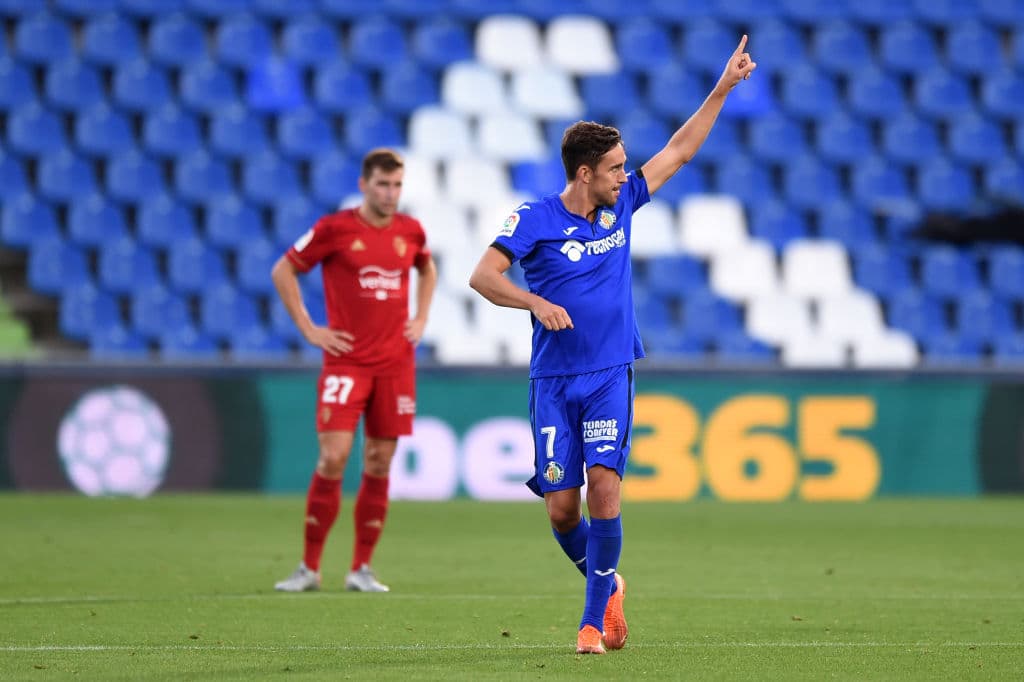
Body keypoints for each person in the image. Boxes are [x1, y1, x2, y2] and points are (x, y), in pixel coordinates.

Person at [469, 37, 756, 652]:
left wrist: (723, 87)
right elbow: (484, 278)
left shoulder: (621, 204)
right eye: (617, 168)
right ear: (584, 173)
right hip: (553, 381)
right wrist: (537, 303)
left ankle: (592, 622)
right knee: (560, 510)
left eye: (626, 166)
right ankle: (608, 586)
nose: (626, 175)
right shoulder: (534, 219)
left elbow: (678, 152)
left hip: (608, 373)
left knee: (604, 484)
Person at [272, 148, 437, 593]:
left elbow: (427, 268)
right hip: (346, 362)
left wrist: (421, 318)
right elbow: (283, 270)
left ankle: (360, 568)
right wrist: (310, 328)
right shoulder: (335, 229)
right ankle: (308, 568)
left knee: (380, 462)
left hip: (395, 364)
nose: (391, 193)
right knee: (334, 456)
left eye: (398, 185)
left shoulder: (411, 230)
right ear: (364, 185)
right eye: (383, 185)